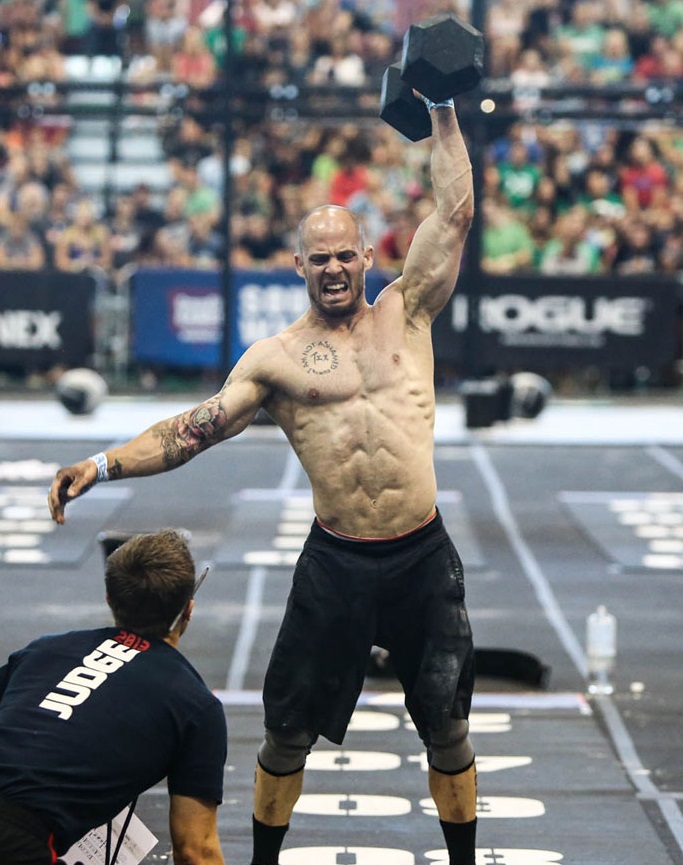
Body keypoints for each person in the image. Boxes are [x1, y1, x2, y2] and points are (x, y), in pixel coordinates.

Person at [48, 93, 477, 865]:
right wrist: (102, 463)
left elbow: (453, 212)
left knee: (446, 725)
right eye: (320, 258)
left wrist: (442, 105)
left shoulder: (406, 314)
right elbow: (190, 433)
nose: (336, 268)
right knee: (286, 731)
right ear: (299, 266)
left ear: (366, 256)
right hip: (337, 562)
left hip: (421, 556)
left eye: (346, 254)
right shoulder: (275, 359)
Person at [0, 529, 227, 865]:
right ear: (188, 610)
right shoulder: (195, 705)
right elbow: (196, 850)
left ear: (109, 598)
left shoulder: (43, 649)